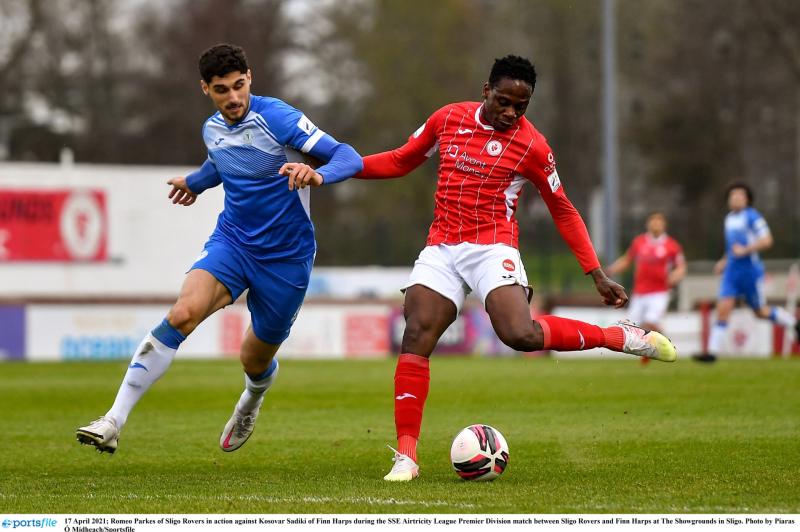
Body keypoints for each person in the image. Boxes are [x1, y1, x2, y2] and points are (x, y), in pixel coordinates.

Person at [356, 55, 677, 482]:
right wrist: (339, 168)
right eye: (503, 102)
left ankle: (619, 336)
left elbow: (563, 209)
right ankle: (406, 457)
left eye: (520, 106)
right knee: (416, 332)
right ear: (486, 90)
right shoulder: (448, 119)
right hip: (443, 246)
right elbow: (400, 159)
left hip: (493, 246)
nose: (510, 112)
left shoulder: (533, 147)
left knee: (519, 334)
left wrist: (596, 272)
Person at [76, 43, 363, 453]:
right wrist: (195, 183)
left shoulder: (278, 118)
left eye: (239, 85)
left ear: (250, 78)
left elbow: (347, 155)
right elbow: (221, 163)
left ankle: (252, 398)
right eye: (222, 89)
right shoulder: (211, 128)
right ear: (205, 89)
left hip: (286, 258)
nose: (233, 97)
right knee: (182, 313)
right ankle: (112, 420)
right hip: (233, 242)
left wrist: (318, 175)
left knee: (253, 360)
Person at [694, 183, 800, 362]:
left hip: (750, 272)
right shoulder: (729, 219)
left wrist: (746, 249)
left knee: (760, 311)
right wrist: (724, 261)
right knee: (723, 309)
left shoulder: (753, 217)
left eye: (740, 195)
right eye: (732, 195)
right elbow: (732, 247)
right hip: (732, 273)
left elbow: (767, 240)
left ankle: (793, 322)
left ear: (747, 199)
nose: (735, 198)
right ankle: (711, 353)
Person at [607, 212, 686, 364]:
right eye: (653, 221)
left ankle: (655, 352)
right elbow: (627, 260)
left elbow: (681, 267)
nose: (656, 224)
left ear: (664, 225)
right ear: (648, 224)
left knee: (650, 322)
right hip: (639, 292)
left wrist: (676, 275)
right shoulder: (639, 242)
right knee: (633, 327)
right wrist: (609, 271)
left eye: (659, 221)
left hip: (659, 293)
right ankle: (662, 345)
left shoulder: (672, 246)